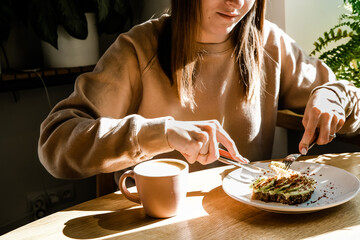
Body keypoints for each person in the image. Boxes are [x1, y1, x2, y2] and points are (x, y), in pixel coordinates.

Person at [38, 0, 360, 179]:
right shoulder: (138, 50)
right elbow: (56, 141)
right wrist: (160, 133)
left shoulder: (267, 42)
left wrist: (332, 97)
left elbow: (344, 94)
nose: (237, 2)